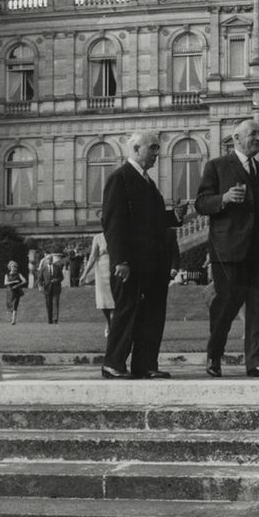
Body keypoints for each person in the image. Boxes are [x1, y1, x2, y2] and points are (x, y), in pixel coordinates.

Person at [194, 118, 259, 379]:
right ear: (236, 139)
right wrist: (224, 198)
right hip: (229, 250)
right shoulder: (217, 167)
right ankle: (214, 354)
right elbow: (200, 203)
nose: (257, 138)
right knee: (226, 306)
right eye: (252, 134)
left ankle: (256, 362)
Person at [99, 130, 189, 380]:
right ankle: (113, 363)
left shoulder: (146, 181)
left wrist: (176, 216)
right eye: (153, 148)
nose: (157, 154)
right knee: (127, 312)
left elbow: (152, 220)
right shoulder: (121, 178)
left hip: (152, 264)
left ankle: (145, 364)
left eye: (158, 148)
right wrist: (121, 260)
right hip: (132, 263)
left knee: (151, 315)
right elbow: (113, 222)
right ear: (136, 149)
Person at [80, 232, 114, 335]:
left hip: (113, 270)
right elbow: (92, 257)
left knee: (114, 302)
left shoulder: (117, 234)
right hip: (101, 271)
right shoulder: (98, 238)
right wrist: (84, 274)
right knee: (103, 302)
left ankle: (112, 327)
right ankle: (108, 322)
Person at [37, 252, 64, 324]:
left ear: (53, 259)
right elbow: (40, 279)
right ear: (46, 260)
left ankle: (55, 319)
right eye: (48, 259)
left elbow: (62, 277)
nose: (50, 260)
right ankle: (50, 320)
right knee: (48, 304)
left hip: (56, 288)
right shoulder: (43, 268)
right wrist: (40, 286)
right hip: (47, 288)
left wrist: (57, 280)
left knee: (55, 304)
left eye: (51, 259)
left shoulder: (58, 267)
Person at [2, 260, 26, 325]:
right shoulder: (6, 275)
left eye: (15, 267)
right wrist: (14, 282)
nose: (14, 268)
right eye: (13, 267)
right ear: (10, 267)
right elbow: (5, 283)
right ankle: (11, 317)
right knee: (10, 306)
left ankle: (13, 320)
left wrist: (18, 285)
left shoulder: (19, 274)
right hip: (9, 291)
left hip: (17, 291)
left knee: (15, 305)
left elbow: (24, 281)